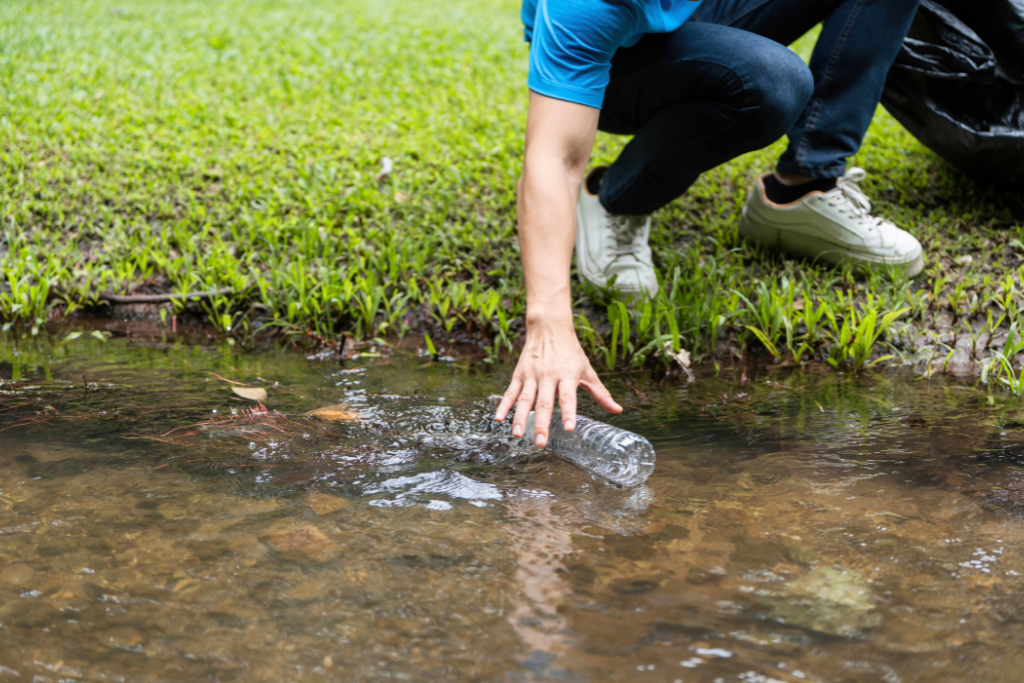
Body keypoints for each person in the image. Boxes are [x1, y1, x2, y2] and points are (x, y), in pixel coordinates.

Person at [494, 0, 925, 446]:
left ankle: (801, 188)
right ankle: (615, 198)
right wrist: (549, 324)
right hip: (616, 53)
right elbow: (554, 158)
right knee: (770, 81)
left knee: (774, 78)